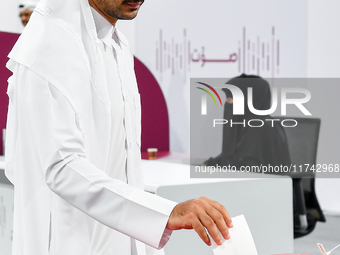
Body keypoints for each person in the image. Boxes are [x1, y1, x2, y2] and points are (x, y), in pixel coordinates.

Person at [5, 0, 233, 254]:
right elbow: (60, 167)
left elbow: (125, 167)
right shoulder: (48, 46)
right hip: (67, 240)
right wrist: (164, 213)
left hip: (119, 240)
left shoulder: (119, 46)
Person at [204, 74, 291, 170]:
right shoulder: (249, 125)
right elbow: (233, 155)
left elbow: (250, 167)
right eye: (228, 98)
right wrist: (211, 164)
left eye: (232, 98)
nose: (228, 102)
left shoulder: (258, 128)